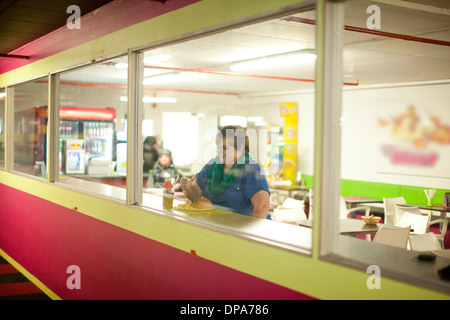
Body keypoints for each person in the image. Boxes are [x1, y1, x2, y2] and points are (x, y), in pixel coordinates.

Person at [180, 125, 270, 218]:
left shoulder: (252, 169)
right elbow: (194, 196)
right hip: (215, 225)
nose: (220, 151)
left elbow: (262, 207)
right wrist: (188, 187)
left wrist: (250, 231)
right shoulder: (211, 166)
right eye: (218, 147)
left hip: (242, 228)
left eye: (225, 148)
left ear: (240, 147)